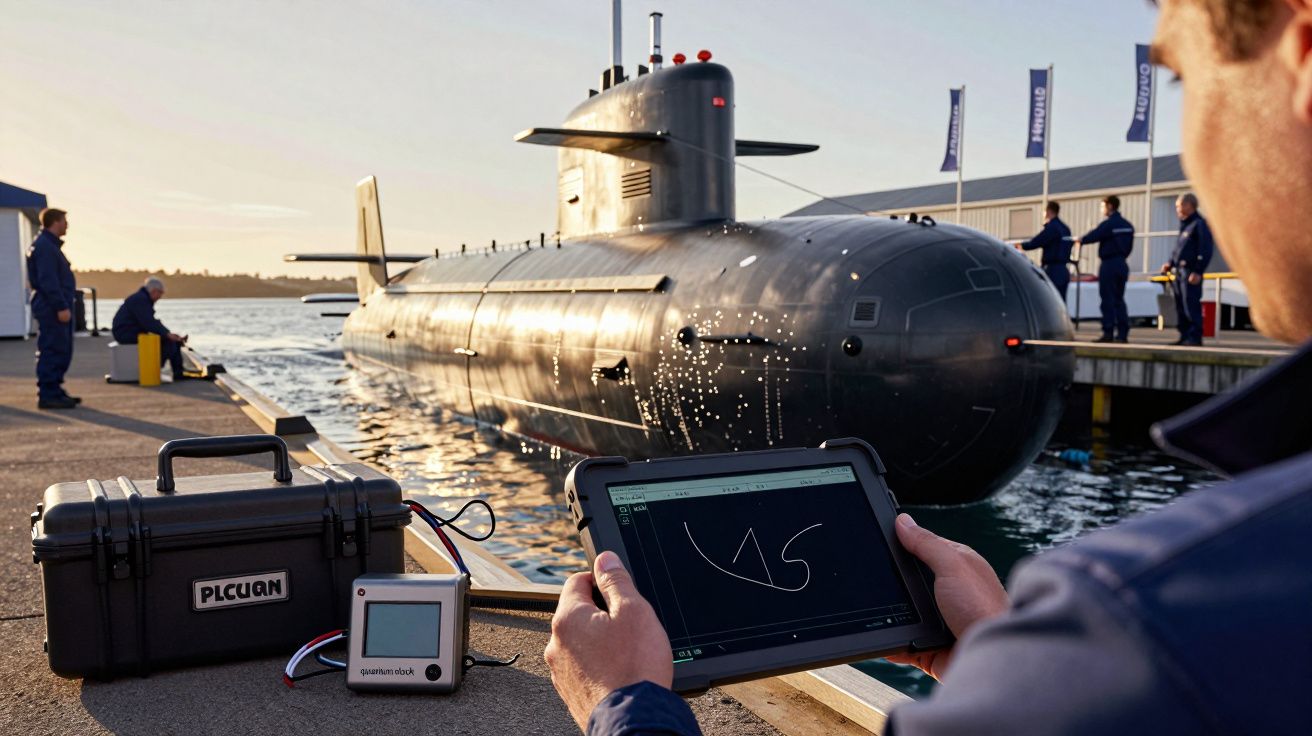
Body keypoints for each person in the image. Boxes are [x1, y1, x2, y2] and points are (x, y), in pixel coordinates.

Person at [544, 0, 1312, 733]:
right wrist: (1000, 662)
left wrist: (630, 703)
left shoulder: (1134, 629)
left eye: (1182, 77)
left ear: (1299, 56)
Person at [26, 208, 79, 409]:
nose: (67, 225)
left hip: (52, 305)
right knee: (52, 349)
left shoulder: (48, 246)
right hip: (51, 307)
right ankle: (48, 394)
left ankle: (55, 389)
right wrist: (60, 306)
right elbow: (48, 281)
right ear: (55, 222)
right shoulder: (45, 247)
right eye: (65, 221)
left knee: (60, 349)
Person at [1073, 195, 1136, 342]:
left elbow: (1094, 235)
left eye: (1102, 206)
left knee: (1107, 299)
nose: (1101, 209)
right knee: (1119, 299)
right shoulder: (1128, 225)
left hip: (1109, 264)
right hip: (1122, 263)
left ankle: (1108, 332)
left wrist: (1080, 240)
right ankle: (1122, 333)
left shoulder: (1109, 224)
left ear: (1109, 206)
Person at [1161, 193, 1214, 345]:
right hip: (1179, 271)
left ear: (1189, 205)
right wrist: (1170, 263)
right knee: (1180, 305)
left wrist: (1198, 270)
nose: (1177, 209)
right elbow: (1179, 249)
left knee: (1190, 304)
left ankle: (1195, 337)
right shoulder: (1186, 225)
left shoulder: (1199, 224)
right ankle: (1184, 335)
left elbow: (1206, 250)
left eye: (1179, 206)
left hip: (1190, 271)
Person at [111, 277, 188, 381]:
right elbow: (149, 322)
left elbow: (150, 322)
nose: (160, 297)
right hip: (125, 333)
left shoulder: (141, 298)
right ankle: (161, 369)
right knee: (168, 342)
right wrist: (167, 335)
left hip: (128, 331)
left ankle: (175, 371)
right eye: (160, 293)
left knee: (168, 339)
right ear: (154, 291)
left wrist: (167, 333)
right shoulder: (140, 300)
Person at [1018, 201, 1073, 303]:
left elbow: (1036, 242)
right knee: (1061, 301)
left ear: (1048, 211)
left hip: (1052, 269)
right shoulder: (1065, 229)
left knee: (1050, 300)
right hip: (1063, 269)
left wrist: (1021, 245)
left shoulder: (1052, 228)